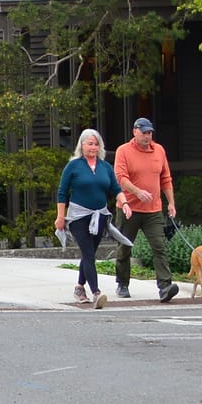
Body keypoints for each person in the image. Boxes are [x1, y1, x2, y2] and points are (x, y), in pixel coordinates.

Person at [54, 128, 127, 307]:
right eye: (89, 144)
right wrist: (60, 217)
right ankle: (96, 292)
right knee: (88, 253)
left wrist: (124, 203)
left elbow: (115, 189)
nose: (93, 147)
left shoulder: (105, 167)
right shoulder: (74, 165)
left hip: (99, 216)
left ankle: (80, 287)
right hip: (79, 216)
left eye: (96, 144)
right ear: (82, 145)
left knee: (90, 254)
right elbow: (62, 192)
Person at [111, 117, 180, 302]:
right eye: (144, 133)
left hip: (153, 210)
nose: (147, 136)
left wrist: (171, 203)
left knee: (159, 247)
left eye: (150, 133)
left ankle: (165, 287)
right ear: (135, 131)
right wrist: (137, 191)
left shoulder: (159, 150)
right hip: (128, 208)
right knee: (124, 247)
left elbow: (166, 178)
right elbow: (120, 178)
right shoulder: (123, 151)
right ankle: (122, 283)